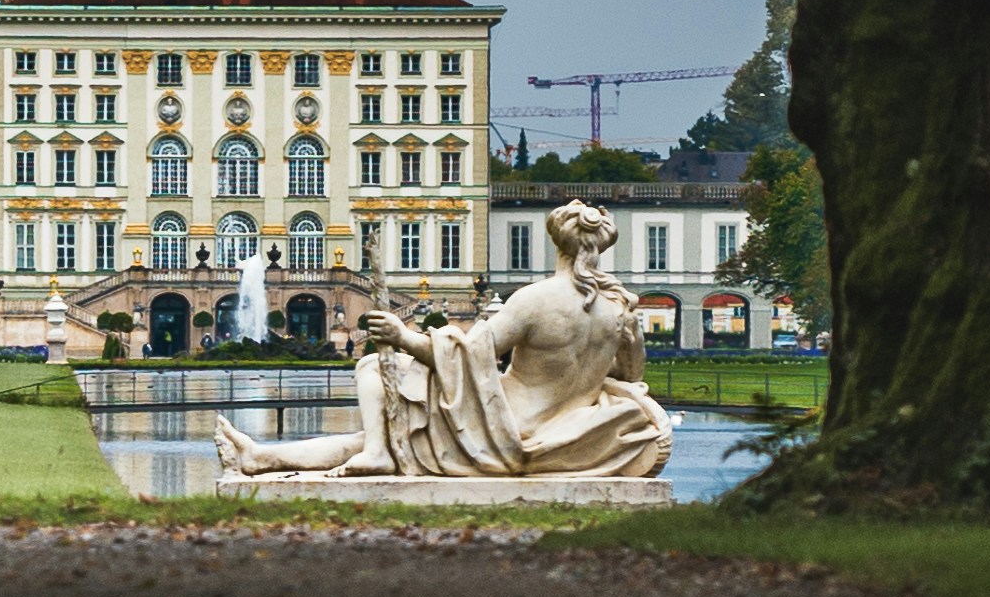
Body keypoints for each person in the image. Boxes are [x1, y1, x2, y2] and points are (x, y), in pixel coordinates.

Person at [211, 198, 671, 490]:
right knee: (386, 434)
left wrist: (403, 337)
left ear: (558, 242)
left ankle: (365, 455)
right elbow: (630, 379)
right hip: (558, 428)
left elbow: (470, 355)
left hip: (501, 427)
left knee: (374, 370)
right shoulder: (621, 309)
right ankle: (259, 456)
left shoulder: (536, 300)